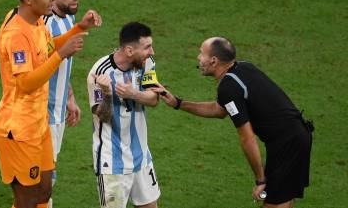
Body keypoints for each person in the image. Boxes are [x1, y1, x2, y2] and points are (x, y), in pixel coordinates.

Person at [152, 37, 313, 208]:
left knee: (275, 202)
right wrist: (178, 103)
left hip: (287, 143)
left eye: (202, 53)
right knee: (283, 199)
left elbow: (247, 138)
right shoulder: (244, 67)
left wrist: (260, 179)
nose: (198, 58)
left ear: (213, 61)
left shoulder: (229, 87)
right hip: (295, 136)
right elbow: (219, 110)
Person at [0, 0, 101, 207]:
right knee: (27, 199)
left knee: (44, 191)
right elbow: (25, 83)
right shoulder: (16, 35)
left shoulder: (37, 20)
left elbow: (48, 48)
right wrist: (61, 55)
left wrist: (78, 27)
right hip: (19, 130)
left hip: (39, 124)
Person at [87, 22, 161, 208]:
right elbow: (101, 116)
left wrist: (132, 94)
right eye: (147, 47)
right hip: (113, 161)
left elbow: (153, 99)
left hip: (142, 155)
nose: (152, 52)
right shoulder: (100, 72)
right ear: (129, 50)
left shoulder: (146, 63)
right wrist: (106, 94)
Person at [42, 0, 84, 206]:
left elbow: (60, 67)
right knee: (40, 186)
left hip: (58, 115)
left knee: (47, 182)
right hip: (42, 117)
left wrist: (69, 97)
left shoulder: (68, 20)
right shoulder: (44, 25)